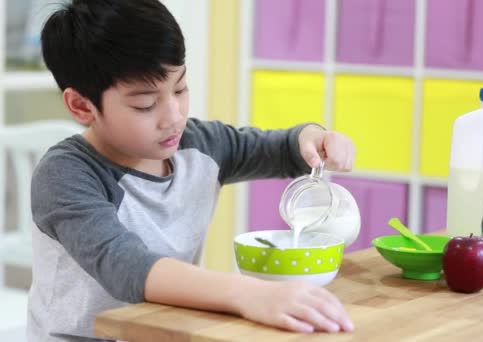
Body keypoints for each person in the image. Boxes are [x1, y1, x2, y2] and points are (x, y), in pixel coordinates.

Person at [29, 0, 356, 340]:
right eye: (145, 104)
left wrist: (315, 139)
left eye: (180, 89)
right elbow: (126, 267)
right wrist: (251, 293)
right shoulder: (66, 174)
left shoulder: (199, 146)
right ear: (82, 106)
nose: (173, 116)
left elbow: (281, 148)